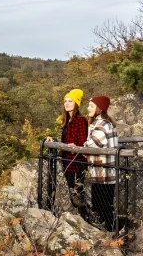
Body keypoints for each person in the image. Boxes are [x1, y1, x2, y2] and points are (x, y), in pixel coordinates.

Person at [46, 89, 89, 218]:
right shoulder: (66, 120)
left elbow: (83, 142)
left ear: (77, 103)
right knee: (73, 193)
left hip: (77, 163)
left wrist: (76, 147)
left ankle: (86, 218)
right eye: (65, 101)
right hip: (67, 162)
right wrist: (53, 141)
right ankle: (84, 219)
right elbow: (66, 140)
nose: (67, 103)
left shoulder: (80, 120)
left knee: (78, 194)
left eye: (70, 101)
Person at [84, 96, 118, 232]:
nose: (88, 108)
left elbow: (92, 144)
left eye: (91, 106)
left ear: (99, 108)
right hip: (103, 172)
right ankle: (114, 232)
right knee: (103, 206)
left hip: (103, 173)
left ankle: (115, 232)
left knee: (102, 207)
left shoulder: (102, 125)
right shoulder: (102, 123)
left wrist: (83, 145)